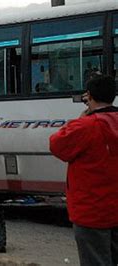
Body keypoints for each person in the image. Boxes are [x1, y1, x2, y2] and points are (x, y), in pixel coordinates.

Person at [49, 75, 118, 266]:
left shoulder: (86, 125)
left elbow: (57, 146)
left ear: (89, 96)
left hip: (92, 211)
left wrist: (77, 121)